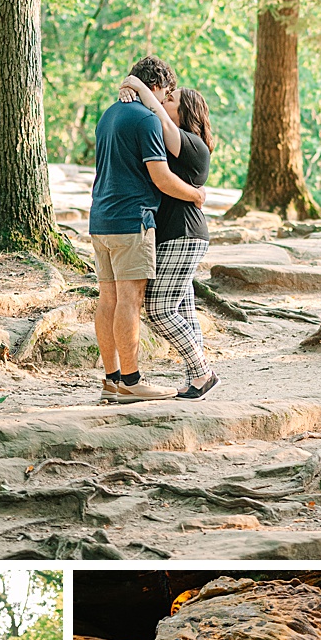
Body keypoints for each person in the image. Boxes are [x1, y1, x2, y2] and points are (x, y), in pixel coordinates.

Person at [88, 56, 206, 404]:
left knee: (106, 300)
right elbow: (161, 177)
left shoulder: (109, 114)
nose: (165, 99)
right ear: (157, 87)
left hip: (101, 218)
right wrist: (196, 194)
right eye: (166, 92)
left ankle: (111, 379)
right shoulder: (146, 121)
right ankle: (131, 380)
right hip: (131, 221)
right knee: (129, 301)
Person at [116, 73, 218, 400]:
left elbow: (159, 116)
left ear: (186, 111)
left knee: (159, 308)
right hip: (173, 235)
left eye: (170, 100)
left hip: (184, 235)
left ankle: (203, 372)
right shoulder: (169, 144)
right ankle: (195, 380)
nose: (163, 103)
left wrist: (134, 82)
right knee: (184, 309)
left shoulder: (191, 144)